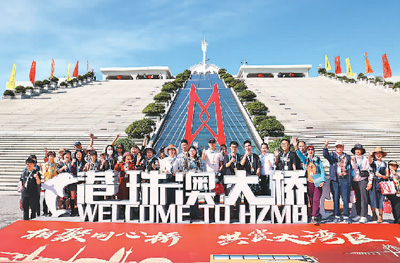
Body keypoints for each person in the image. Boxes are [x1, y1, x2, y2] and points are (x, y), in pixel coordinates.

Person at [292, 137, 325, 225]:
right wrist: (295, 146)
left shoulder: (317, 159)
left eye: (312, 149)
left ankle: (314, 216)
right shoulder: (306, 159)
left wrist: (322, 180)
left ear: (314, 151)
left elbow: (322, 170)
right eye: (309, 149)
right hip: (308, 180)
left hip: (317, 178)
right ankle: (314, 213)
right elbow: (299, 155)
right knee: (310, 198)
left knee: (316, 199)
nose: (310, 151)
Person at [323, 140, 352, 223]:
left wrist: (349, 181)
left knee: (345, 198)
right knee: (335, 198)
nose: (339, 148)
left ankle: (346, 216)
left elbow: (350, 169)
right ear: (335, 148)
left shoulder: (347, 157)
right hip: (335, 180)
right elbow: (325, 155)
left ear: (343, 148)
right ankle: (337, 215)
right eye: (337, 147)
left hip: (344, 179)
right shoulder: (332, 156)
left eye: (340, 146)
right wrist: (325, 147)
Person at [350, 144, 372, 224]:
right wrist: (353, 161)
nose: (358, 151)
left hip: (363, 180)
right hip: (355, 180)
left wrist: (370, 182)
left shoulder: (365, 159)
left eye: (359, 149)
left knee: (364, 198)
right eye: (356, 149)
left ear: (362, 151)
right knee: (357, 198)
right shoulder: (352, 158)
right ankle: (358, 214)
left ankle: (364, 216)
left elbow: (370, 170)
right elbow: (352, 168)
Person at [367, 147, 389, 223]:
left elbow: (387, 175)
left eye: (380, 153)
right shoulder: (373, 163)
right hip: (373, 182)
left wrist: (381, 176)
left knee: (381, 200)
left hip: (381, 183)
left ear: (382, 155)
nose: (378, 155)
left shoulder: (384, 164)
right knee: (372, 198)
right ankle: (374, 214)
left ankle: (380, 216)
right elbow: (369, 162)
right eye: (376, 153)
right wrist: (369, 155)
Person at [240, 140, 261, 210]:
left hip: (254, 179)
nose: (248, 147)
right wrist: (245, 155)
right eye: (246, 146)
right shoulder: (243, 156)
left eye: (249, 146)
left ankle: (255, 211)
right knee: (246, 196)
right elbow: (242, 164)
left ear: (251, 146)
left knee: (255, 196)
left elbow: (258, 166)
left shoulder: (255, 156)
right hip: (247, 179)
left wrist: (257, 173)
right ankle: (247, 211)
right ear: (244, 147)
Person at [202, 138, 224, 203]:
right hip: (208, 175)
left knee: (216, 194)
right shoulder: (206, 152)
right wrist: (203, 153)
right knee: (208, 193)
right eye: (210, 142)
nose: (211, 143)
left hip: (216, 175)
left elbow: (221, 164)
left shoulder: (219, 153)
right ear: (208, 144)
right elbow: (203, 158)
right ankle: (207, 210)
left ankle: (216, 209)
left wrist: (219, 170)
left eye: (213, 142)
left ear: (215, 143)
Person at [70, 150, 86, 216]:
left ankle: (80, 211)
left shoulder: (84, 163)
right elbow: (70, 170)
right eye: (77, 154)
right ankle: (73, 210)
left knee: (80, 196)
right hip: (74, 181)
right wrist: (71, 164)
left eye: (79, 154)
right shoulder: (74, 163)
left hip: (81, 181)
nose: (78, 156)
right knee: (72, 196)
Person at [41, 151, 58, 216]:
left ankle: (51, 211)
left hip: (53, 183)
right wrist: (47, 170)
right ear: (48, 157)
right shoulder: (45, 165)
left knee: (53, 197)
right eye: (50, 156)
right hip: (47, 183)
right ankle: (45, 211)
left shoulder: (55, 164)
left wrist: (55, 175)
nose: (51, 157)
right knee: (46, 197)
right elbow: (43, 174)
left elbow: (57, 173)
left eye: (52, 156)